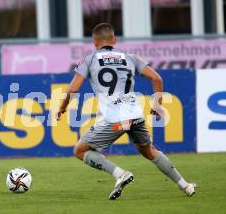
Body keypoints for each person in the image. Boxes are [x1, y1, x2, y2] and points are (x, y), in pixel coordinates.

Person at [56, 23, 196, 200]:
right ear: (115, 40)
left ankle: (119, 174)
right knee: (149, 151)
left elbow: (73, 89)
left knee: (80, 150)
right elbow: (157, 78)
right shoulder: (131, 58)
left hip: (116, 121)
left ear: (94, 42)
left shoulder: (90, 59)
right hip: (136, 116)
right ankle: (185, 185)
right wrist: (157, 104)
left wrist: (62, 107)